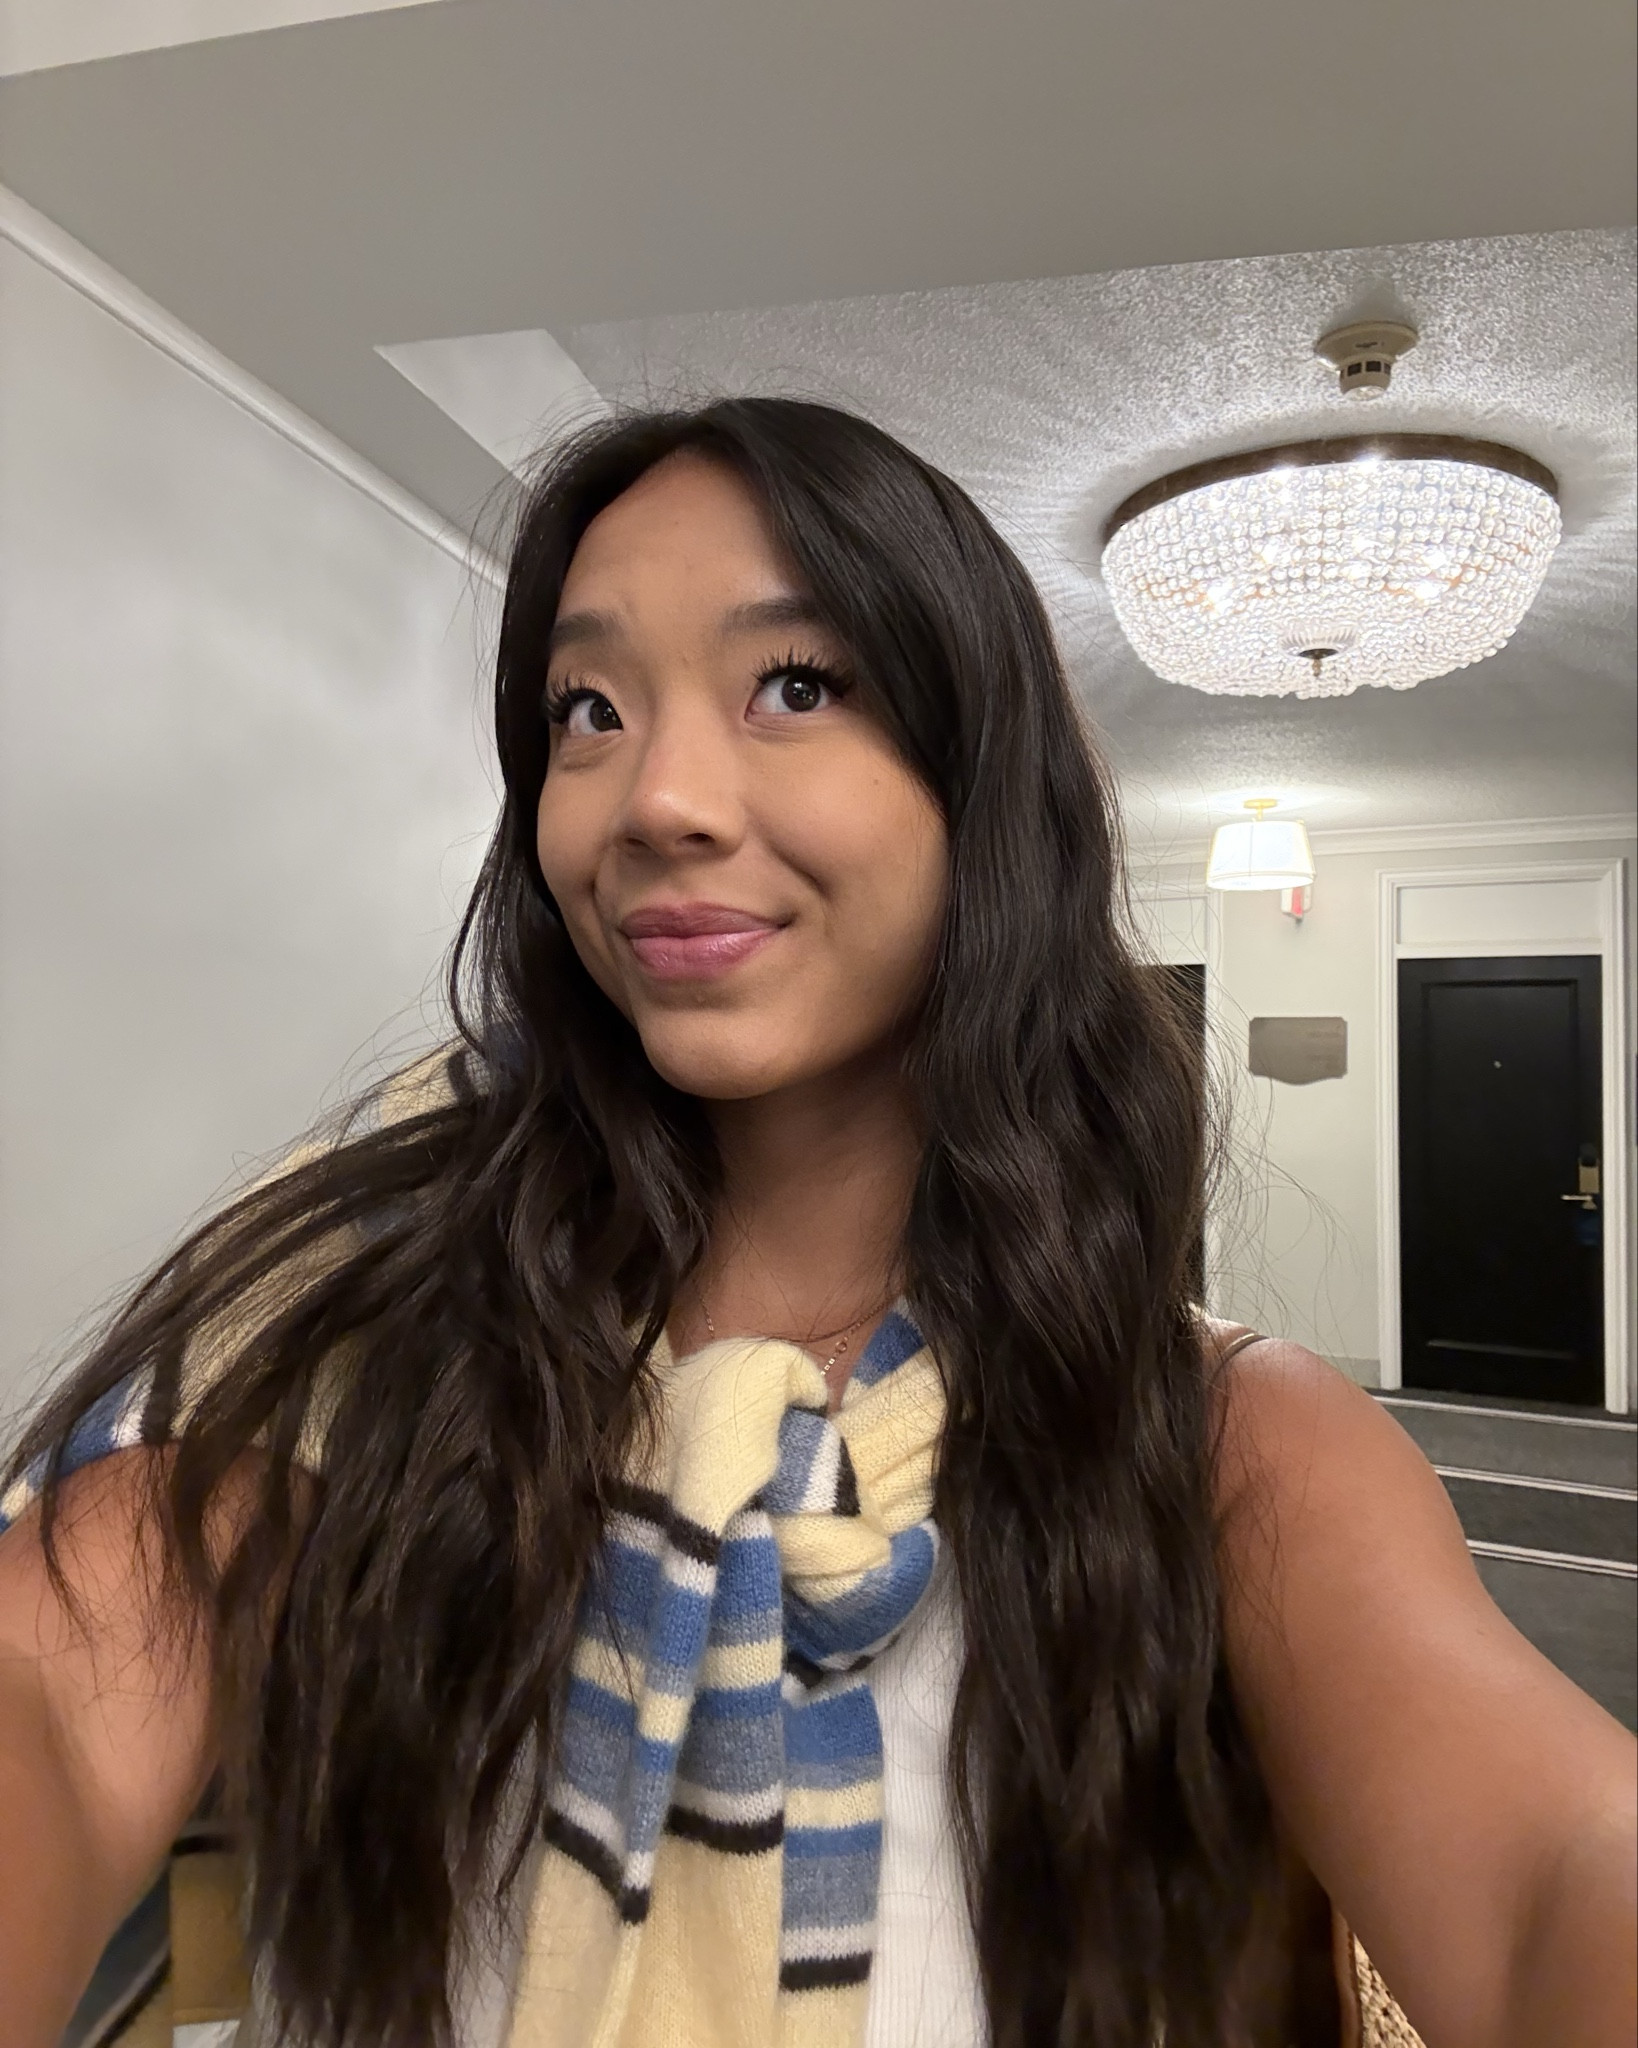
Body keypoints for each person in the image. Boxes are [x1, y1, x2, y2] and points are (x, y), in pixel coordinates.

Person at [0, 399, 1631, 2048]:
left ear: (978, 785)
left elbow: (1551, 1875)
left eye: (795, 685)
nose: (657, 800)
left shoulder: (1232, 1448)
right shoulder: (366, 1330)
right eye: (588, 710)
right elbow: (53, 1709)